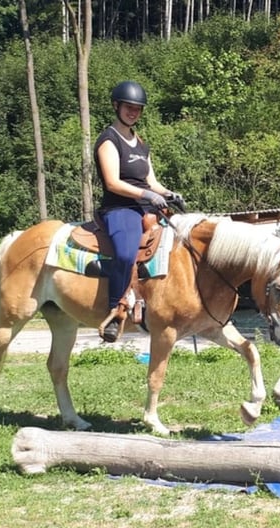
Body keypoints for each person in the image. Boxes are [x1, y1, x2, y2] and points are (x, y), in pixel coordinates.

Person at [93, 80, 183, 342]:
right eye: (129, 107)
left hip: (147, 205)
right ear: (116, 106)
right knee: (124, 252)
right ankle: (115, 310)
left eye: (138, 108)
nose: (133, 112)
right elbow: (113, 182)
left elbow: (152, 180)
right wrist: (147, 194)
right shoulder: (108, 140)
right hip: (120, 207)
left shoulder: (141, 143)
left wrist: (168, 193)